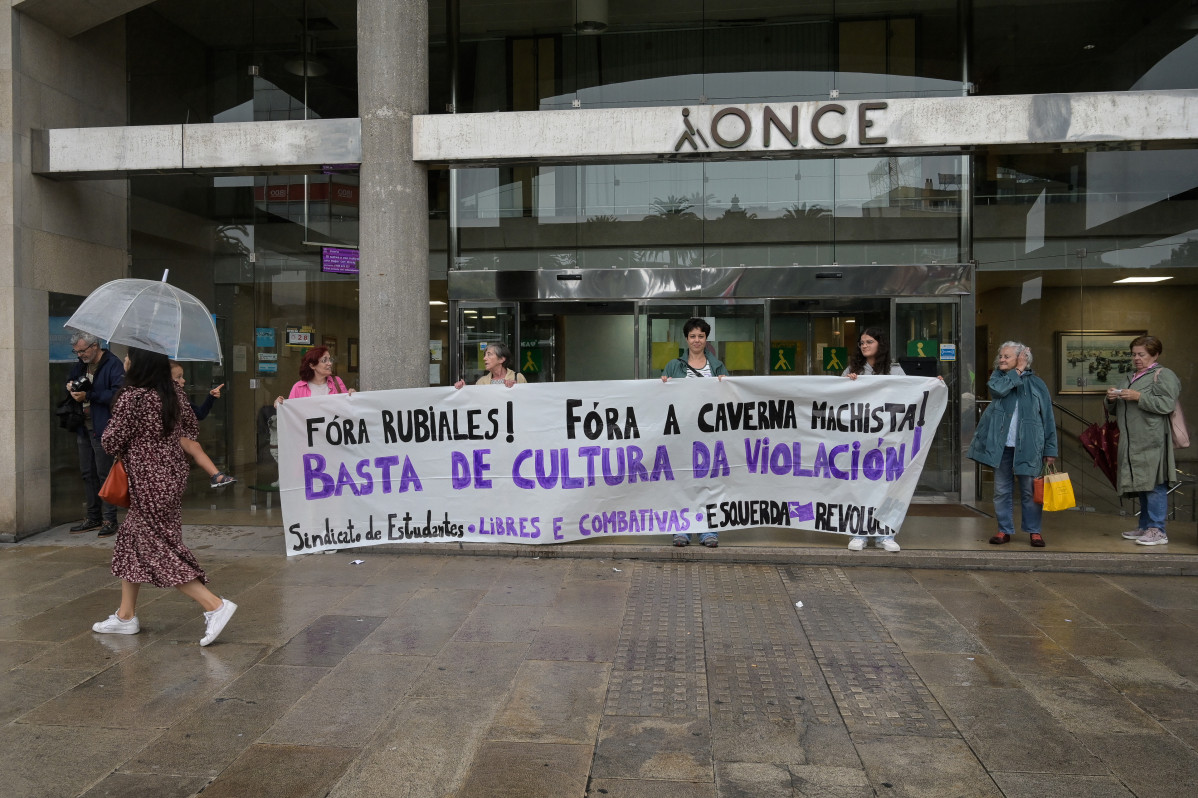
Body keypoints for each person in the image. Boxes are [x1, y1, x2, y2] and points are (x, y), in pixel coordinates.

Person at [92, 347, 237, 645]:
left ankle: (214, 605)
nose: (126, 361)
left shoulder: (133, 396)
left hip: (147, 480)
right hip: (171, 477)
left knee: (155, 547)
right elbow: (191, 429)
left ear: (138, 363)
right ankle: (125, 616)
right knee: (132, 541)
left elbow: (110, 441)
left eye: (129, 357)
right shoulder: (171, 393)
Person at [967, 342, 1057, 548]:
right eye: (1001, 356)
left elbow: (1048, 419)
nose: (1001, 359)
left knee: (1030, 491)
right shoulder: (998, 379)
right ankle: (1003, 530)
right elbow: (998, 391)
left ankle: (1034, 531)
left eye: (1007, 356)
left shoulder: (1037, 384)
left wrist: (1050, 449)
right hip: (1002, 447)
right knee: (1001, 490)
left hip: (1029, 447)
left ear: (1021, 358)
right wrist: (1017, 370)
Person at [1106, 335, 1179, 546]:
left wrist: (1139, 397)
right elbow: (1115, 410)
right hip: (1132, 442)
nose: (1136, 358)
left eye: (1141, 354)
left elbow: (1167, 404)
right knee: (1143, 484)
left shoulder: (1163, 375)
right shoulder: (1130, 376)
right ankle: (1145, 526)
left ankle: (1158, 530)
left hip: (1153, 440)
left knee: (1155, 484)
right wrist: (1110, 398)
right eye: (1134, 354)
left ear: (1155, 354)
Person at [661, 317, 728, 548]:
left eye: (701, 336)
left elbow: (728, 399)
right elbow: (661, 399)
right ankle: (682, 530)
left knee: (709, 482)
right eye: (692, 336)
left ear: (706, 339)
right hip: (681, 434)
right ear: (686, 339)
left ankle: (709, 531)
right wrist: (662, 384)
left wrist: (725, 384)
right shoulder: (673, 366)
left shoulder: (717, 367)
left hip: (709, 435)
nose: (696, 340)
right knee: (682, 481)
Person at [842, 327, 905, 552]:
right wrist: (848, 384)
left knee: (887, 487)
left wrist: (932, 384)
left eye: (869, 341)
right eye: (861, 343)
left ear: (880, 343)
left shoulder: (895, 371)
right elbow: (839, 400)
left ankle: (884, 535)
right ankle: (858, 533)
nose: (864, 346)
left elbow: (910, 395)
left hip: (887, 440)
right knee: (859, 487)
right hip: (861, 440)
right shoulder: (853, 370)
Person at [65, 332, 125, 538]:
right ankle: (93, 517)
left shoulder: (112, 364)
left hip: (102, 426)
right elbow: (72, 379)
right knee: (87, 473)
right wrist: (71, 386)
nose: (80, 354)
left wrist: (89, 395)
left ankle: (110, 518)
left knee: (104, 473)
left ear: (95, 346)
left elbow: (118, 394)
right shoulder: (81, 365)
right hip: (83, 424)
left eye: (83, 350)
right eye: (77, 351)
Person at [170, 362, 235, 488]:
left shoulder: (181, 397)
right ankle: (216, 476)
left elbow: (199, 414)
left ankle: (216, 476)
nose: (183, 380)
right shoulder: (155, 397)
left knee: (194, 446)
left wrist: (211, 397)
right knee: (194, 446)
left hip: (177, 442)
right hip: (165, 440)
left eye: (182, 376)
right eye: (178, 377)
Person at [274, 347, 354, 408]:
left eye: (330, 359)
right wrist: (280, 405)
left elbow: (347, 407)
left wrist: (354, 397)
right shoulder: (298, 388)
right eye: (324, 360)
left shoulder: (337, 381)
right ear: (312, 365)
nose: (330, 363)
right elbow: (291, 413)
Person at [454, 342, 527, 388]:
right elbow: (475, 402)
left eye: (489, 355)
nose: (484, 358)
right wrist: (463, 390)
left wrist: (516, 388)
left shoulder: (517, 377)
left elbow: (527, 400)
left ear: (501, 359)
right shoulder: (481, 382)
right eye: (485, 355)